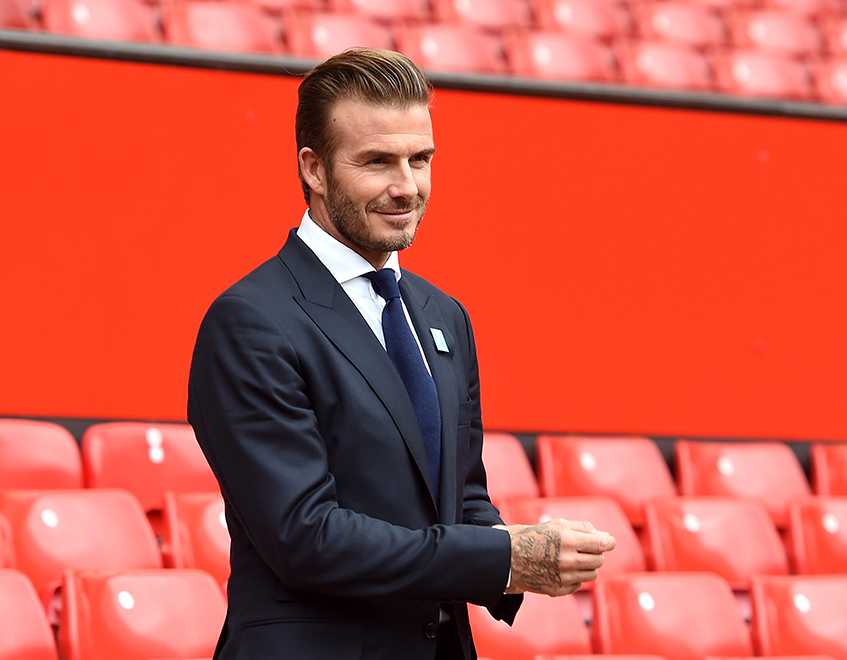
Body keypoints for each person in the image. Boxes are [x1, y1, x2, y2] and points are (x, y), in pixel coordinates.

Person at [187, 48, 616, 660]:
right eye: (377, 162)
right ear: (314, 168)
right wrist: (501, 559)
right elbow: (306, 538)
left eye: (421, 159)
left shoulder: (444, 315)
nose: (406, 186)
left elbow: (461, 497)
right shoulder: (250, 322)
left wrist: (519, 548)